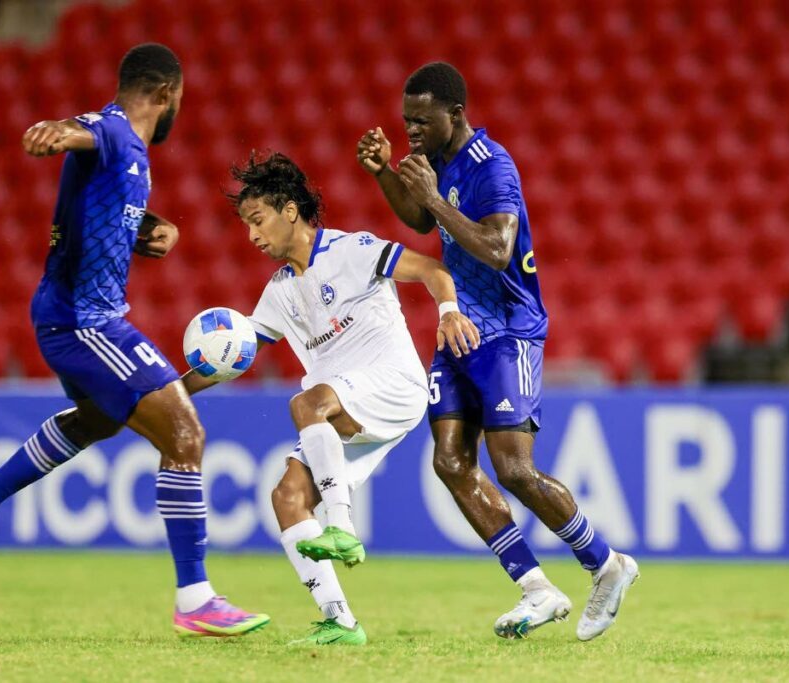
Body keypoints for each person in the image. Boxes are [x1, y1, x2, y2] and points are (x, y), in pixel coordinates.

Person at [0, 43, 268, 639]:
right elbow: (84, 129)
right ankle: (195, 598)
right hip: (85, 321)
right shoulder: (116, 130)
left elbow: (101, 202)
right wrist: (55, 131)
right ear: (167, 94)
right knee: (186, 433)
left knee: (94, 422)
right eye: (180, 101)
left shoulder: (130, 156)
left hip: (69, 314)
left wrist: (150, 225)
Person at [357, 61, 638, 641]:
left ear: (455, 114)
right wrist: (386, 172)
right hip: (461, 326)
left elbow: (497, 248)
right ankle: (536, 589)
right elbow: (417, 217)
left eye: (421, 121)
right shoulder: (435, 160)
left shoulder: (493, 166)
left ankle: (607, 565)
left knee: (512, 467)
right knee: (450, 462)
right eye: (405, 121)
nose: (411, 130)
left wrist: (434, 200)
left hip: (509, 329)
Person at [183, 151, 480, 646]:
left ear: (290, 210)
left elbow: (432, 268)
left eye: (257, 221)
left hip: (394, 385)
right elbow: (232, 359)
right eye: (246, 226)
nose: (252, 236)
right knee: (287, 497)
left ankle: (340, 525)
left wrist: (448, 312)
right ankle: (340, 621)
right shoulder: (278, 292)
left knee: (305, 404)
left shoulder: (352, 250)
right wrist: (167, 392)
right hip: (344, 410)